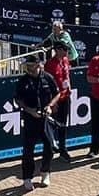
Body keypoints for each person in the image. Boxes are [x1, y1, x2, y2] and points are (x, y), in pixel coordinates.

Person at [14, 52, 62, 188]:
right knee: (28, 150)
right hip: (30, 118)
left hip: (46, 118)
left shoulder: (47, 77)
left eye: (31, 65)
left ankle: (45, 172)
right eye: (27, 65)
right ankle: (27, 177)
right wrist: (30, 110)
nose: (28, 68)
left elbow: (57, 93)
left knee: (49, 146)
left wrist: (50, 106)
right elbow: (18, 99)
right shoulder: (23, 81)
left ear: (38, 65)